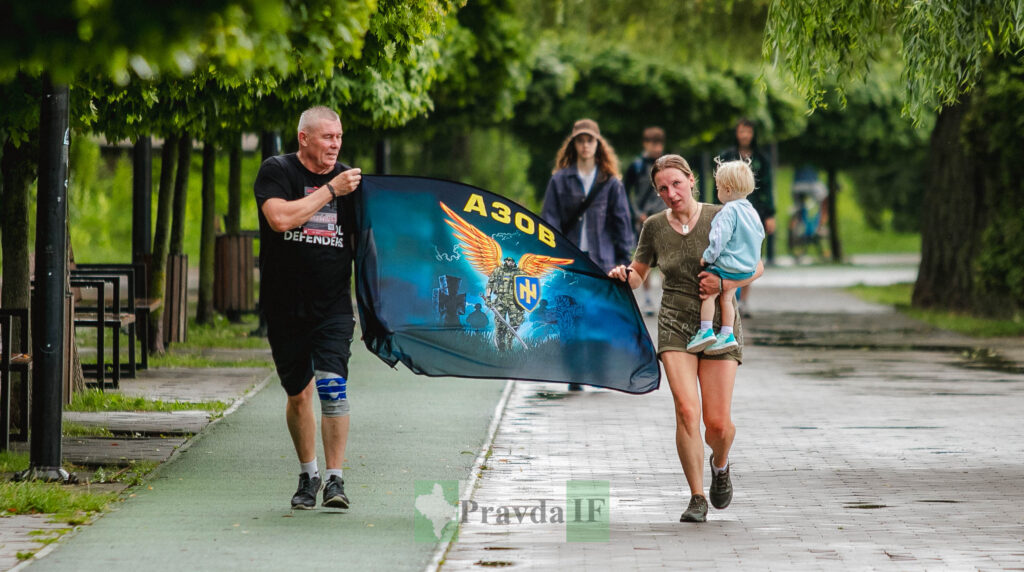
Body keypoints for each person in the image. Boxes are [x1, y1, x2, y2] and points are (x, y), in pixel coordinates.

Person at [608, 154, 763, 523]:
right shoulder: (654, 227)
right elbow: (639, 275)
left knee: (719, 425)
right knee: (686, 410)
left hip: (720, 325)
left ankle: (720, 464)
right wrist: (622, 274)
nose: (671, 193)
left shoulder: (724, 212)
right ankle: (696, 497)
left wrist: (726, 283)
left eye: (676, 183)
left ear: (691, 180)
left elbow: (756, 265)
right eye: (662, 188)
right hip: (676, 324)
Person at [254, 106, 363, 510]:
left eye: (338, 137)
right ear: (304, 138)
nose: (335, 145)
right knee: (298, 394)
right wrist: (331, 190)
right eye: (326, 137)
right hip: (285, 306)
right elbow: (280, 219)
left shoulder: (351, 180)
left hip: (333, 306)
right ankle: (309, 474)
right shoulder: (277, 171)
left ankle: (335, 480)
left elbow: (363, 242)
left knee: (332, 386)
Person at [542, 118, 634, 391]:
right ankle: (575, 372)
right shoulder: (559, 180)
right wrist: (551, 256)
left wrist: (624, 263)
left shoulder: (611, 183)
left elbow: (621, 224)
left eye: (589, 140)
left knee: (598, 316)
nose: (585, 145)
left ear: (598, 144)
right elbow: (549, 220)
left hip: (602, 261)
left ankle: (598, 367)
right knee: (568, 316)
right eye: (580, 140)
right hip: (569, 262)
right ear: (574, 144)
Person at [687, 159, 765, 355]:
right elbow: (760, 236)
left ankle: (705, 331)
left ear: (728, 190)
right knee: (727, 298)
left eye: (718, 188)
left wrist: (708, 257)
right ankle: (727, 334)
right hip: (746, 268)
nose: (717, 192)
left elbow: (719, 238)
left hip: (726, 266)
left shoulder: (728, 211)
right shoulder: (752, 211)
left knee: (709, 294)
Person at [717, 119, 775, 315]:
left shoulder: (761, 159)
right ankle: (730, 297)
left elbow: (768, 187)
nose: (745, 135)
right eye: (742, 131)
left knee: (751, 255)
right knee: (728, 253)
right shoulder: (726, 157)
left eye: (748, 131)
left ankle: (744, 300)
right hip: (729, 211)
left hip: (754, 211)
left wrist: (770, 214)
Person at [623, 126, 667, 315]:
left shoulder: (667, 164)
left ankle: (667, 298)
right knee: (644, 259)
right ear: (645, 143)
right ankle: (648, 297)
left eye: (659, 143)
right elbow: (625, 192)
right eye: (652, 143)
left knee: (667, 258)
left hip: (664, 216)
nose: (656, 147)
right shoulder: (637, 166)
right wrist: (635, 213)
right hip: (643, 218)